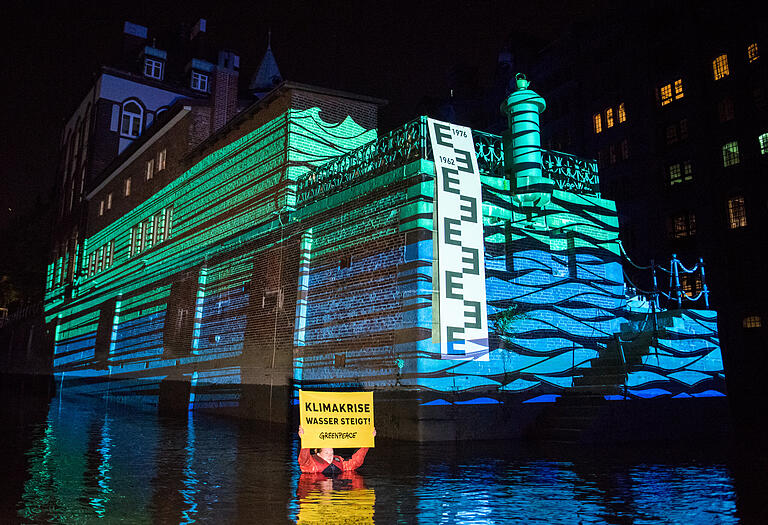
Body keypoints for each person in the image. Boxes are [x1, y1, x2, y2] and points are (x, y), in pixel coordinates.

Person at [297, 425, 376, 476]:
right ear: (318, 454)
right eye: (326, 453)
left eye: (331, 453)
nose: (330, 456)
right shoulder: (311, 465)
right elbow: (303, 459)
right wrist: (305, 440)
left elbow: (356, 462)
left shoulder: (339, 461)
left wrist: (368, 440)